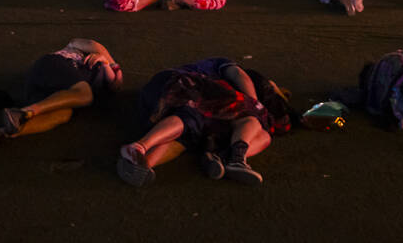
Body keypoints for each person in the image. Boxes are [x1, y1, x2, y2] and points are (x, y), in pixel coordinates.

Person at [116, 58, 295, 186]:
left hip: (161, 103)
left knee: (188, 137)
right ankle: (140, 146)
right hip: (176, 84)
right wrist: (253, 102)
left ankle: (142, 164)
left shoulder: (221, 110)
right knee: (194, 117)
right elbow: (239, 74)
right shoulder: (218, 73)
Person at [0, 38, 123, 151]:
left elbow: (115, 86)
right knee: (86, 95)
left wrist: (106, 64)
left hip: (46, 90)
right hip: (54, 66)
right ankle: (25, 111)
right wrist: (110, 61)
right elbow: (91, 44)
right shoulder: (76, 49)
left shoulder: (98, 77)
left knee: (64, 114)